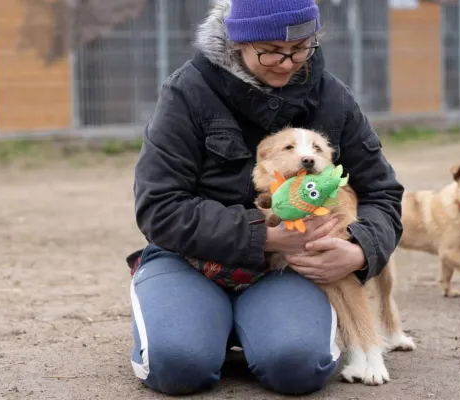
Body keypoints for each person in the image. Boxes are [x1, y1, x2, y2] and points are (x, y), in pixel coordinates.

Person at [128, 0, 404, 396]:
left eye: (302, 47)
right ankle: (193, 316)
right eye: (271, 50)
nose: (288, 62)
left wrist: (361, 249)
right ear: (237, 41)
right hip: (192, 260)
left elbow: (383, 192)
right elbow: (159, 207)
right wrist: (264, 235)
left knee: (297, 366)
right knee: (178, 365)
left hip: (286, 270)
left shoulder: (333, 98)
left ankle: (249, 325)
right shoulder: (187, 92)